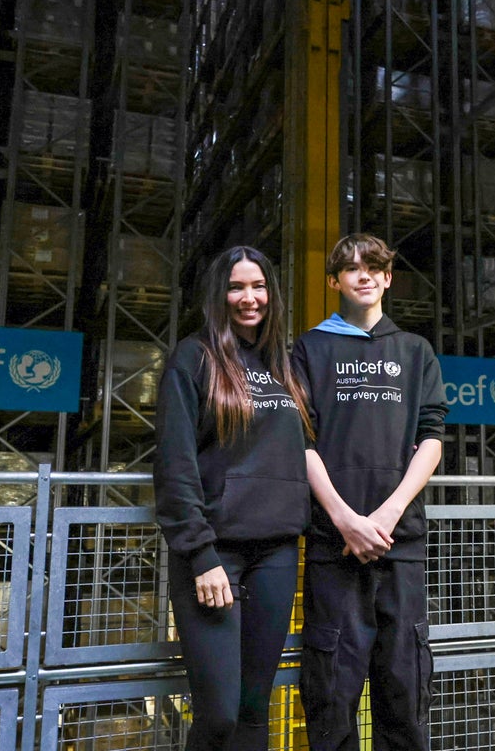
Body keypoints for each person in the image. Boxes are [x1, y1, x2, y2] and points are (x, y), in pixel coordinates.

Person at [154, 245, 315, 751]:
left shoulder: (284, 367)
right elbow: (174, 463)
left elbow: (303, 451)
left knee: (252, 709)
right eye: (237, 287)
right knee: (219, 713)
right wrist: (200, 554)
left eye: (259, 286)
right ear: (219, 296)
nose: (250, 298)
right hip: (213, 554)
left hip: (277, 551)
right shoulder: (193, 358)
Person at [292, 233, 448, 751]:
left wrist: (387, 513)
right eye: (351, 268)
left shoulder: (415, 351)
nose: (364, 274)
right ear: (334, 281)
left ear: (387, 278)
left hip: (399, 543)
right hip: (333, 545)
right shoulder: (309, 348)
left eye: (374, 267)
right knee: (331, 691)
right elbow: (300, 440)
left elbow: (431, 438)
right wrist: (345, 519)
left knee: (404, 687)